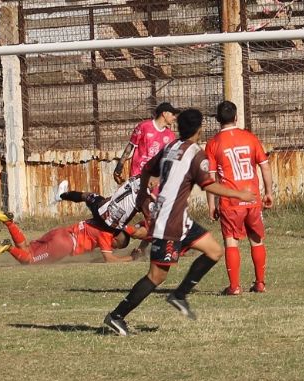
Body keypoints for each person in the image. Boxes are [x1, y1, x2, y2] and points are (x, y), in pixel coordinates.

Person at [103, 108, 256, 336]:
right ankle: (116, 316)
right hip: (169, 221)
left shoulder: (170, 146)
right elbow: (209, 185)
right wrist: (239, 195)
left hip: (178, 217)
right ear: (199, 130)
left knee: (214, 251)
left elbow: (146, 168)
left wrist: (144, 193)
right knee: (156, 276)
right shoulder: (196, 154)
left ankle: (180, 294)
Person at [205, 100, 274, 295]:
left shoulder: (213, 144)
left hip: (230, 201)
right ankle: (260, 283)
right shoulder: (250, 138)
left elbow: (210, 178)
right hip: (252, 198)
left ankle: (234, 287)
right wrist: (268, 192)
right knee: (256, 239)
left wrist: (211, 204)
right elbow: (265, 166)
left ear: (218, 120)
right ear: (236, 117)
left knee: (230, 241)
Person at [0, 210, 137, 264]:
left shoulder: (102, 221)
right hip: (64, 245)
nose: (111, 248)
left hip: (60, 232)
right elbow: (109, 260)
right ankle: (8, 247)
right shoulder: (107, 234)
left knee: (27, 248)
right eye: (114, 246)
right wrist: (131, 258)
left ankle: (9, 222)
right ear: (115, 239)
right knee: (30, 260)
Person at [59, 175, 153, 258]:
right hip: (108, 220)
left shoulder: (140, 179)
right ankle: (61, 195)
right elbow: (142, 232)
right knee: (145, 231)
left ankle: (61, 195)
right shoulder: (146, 198)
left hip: (102, 210)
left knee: (87, 196)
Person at [113, 102, 179, 184]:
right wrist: (119, 167)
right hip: (138, 175)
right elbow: (130, 147)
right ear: (164, 114)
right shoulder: (144, 126)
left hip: (155, 179)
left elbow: (172, 158)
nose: (174, 117)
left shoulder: (171, 135)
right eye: (172, 114)